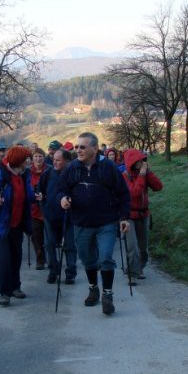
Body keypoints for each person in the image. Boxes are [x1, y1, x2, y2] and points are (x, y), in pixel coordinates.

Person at [59, 132, 130, 315]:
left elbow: (123, 193)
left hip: (106, 221)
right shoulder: (72, 168)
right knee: (88, 259)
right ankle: (93, 288)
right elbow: (61, 189)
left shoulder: (108, 167)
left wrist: (124, 218)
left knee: (105, 257)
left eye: (83, 147)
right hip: (81, 222)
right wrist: (63, 199)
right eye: (77, 147)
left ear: (94, 148)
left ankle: (107, 294)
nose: (78, 150)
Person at [0, 146, 34, 306]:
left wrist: (34, 196)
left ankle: (15, 287)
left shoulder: (23, 175)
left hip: (16, 225)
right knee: (4, 260)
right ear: (18, 161)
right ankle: (4, 292)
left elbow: (27, 194)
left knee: (16, 257)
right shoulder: (1, 174)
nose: (29, 161)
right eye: (26, 158)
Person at [121, 149, 163, 280]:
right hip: (128, 216)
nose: (142, 162)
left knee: (143, 247)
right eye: (139, 161)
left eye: (143, 160)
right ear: (132, 162)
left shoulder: (144, 174)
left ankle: (139, 268)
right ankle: (132, 274)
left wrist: (148, 173)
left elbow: (158, 187)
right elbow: (134, 193)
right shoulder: (125, 176)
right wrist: (142, 175)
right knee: (132, 246)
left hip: (143, 214)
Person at [39, 149, 77, 284]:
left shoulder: (74, 174)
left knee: (69, 245)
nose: (54, 162)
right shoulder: (47, 174)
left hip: (69, 216)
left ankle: (70, 273)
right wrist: (43, 205)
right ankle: (53, 271)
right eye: (53, 159)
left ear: (67, 161)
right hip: (50, 216)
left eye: (58, 160)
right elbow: (40, 190)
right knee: (49, 245)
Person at [29, 148, 49, 270]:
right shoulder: (27, 172)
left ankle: (53, 259)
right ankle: (40, 259)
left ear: (44, 157)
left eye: (40, 156)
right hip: (34, 209)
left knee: (50, 236)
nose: (38, 159)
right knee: (36, 236)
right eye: (36, 156)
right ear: (32, 158)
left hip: (47, 207)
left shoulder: (49, 170)